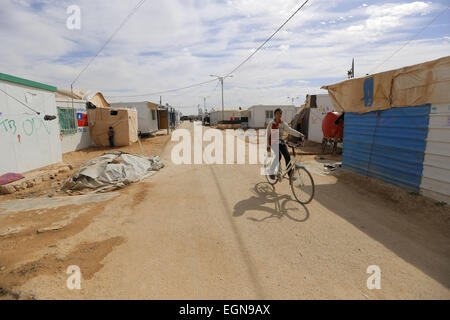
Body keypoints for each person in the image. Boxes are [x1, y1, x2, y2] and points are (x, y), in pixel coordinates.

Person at [266, 108, 304, 179]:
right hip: (273, 142)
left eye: (280, 114)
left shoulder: (282, 123)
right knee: (278, 156)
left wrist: (300, 134)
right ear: (274, 115)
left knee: (287, 156)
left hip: (280, 141)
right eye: (277, 114)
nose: (279, 115)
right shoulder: (271, 124)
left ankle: (290, 175)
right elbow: (268, 134)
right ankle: (271, 171)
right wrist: (267, 145)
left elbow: (290, 130)